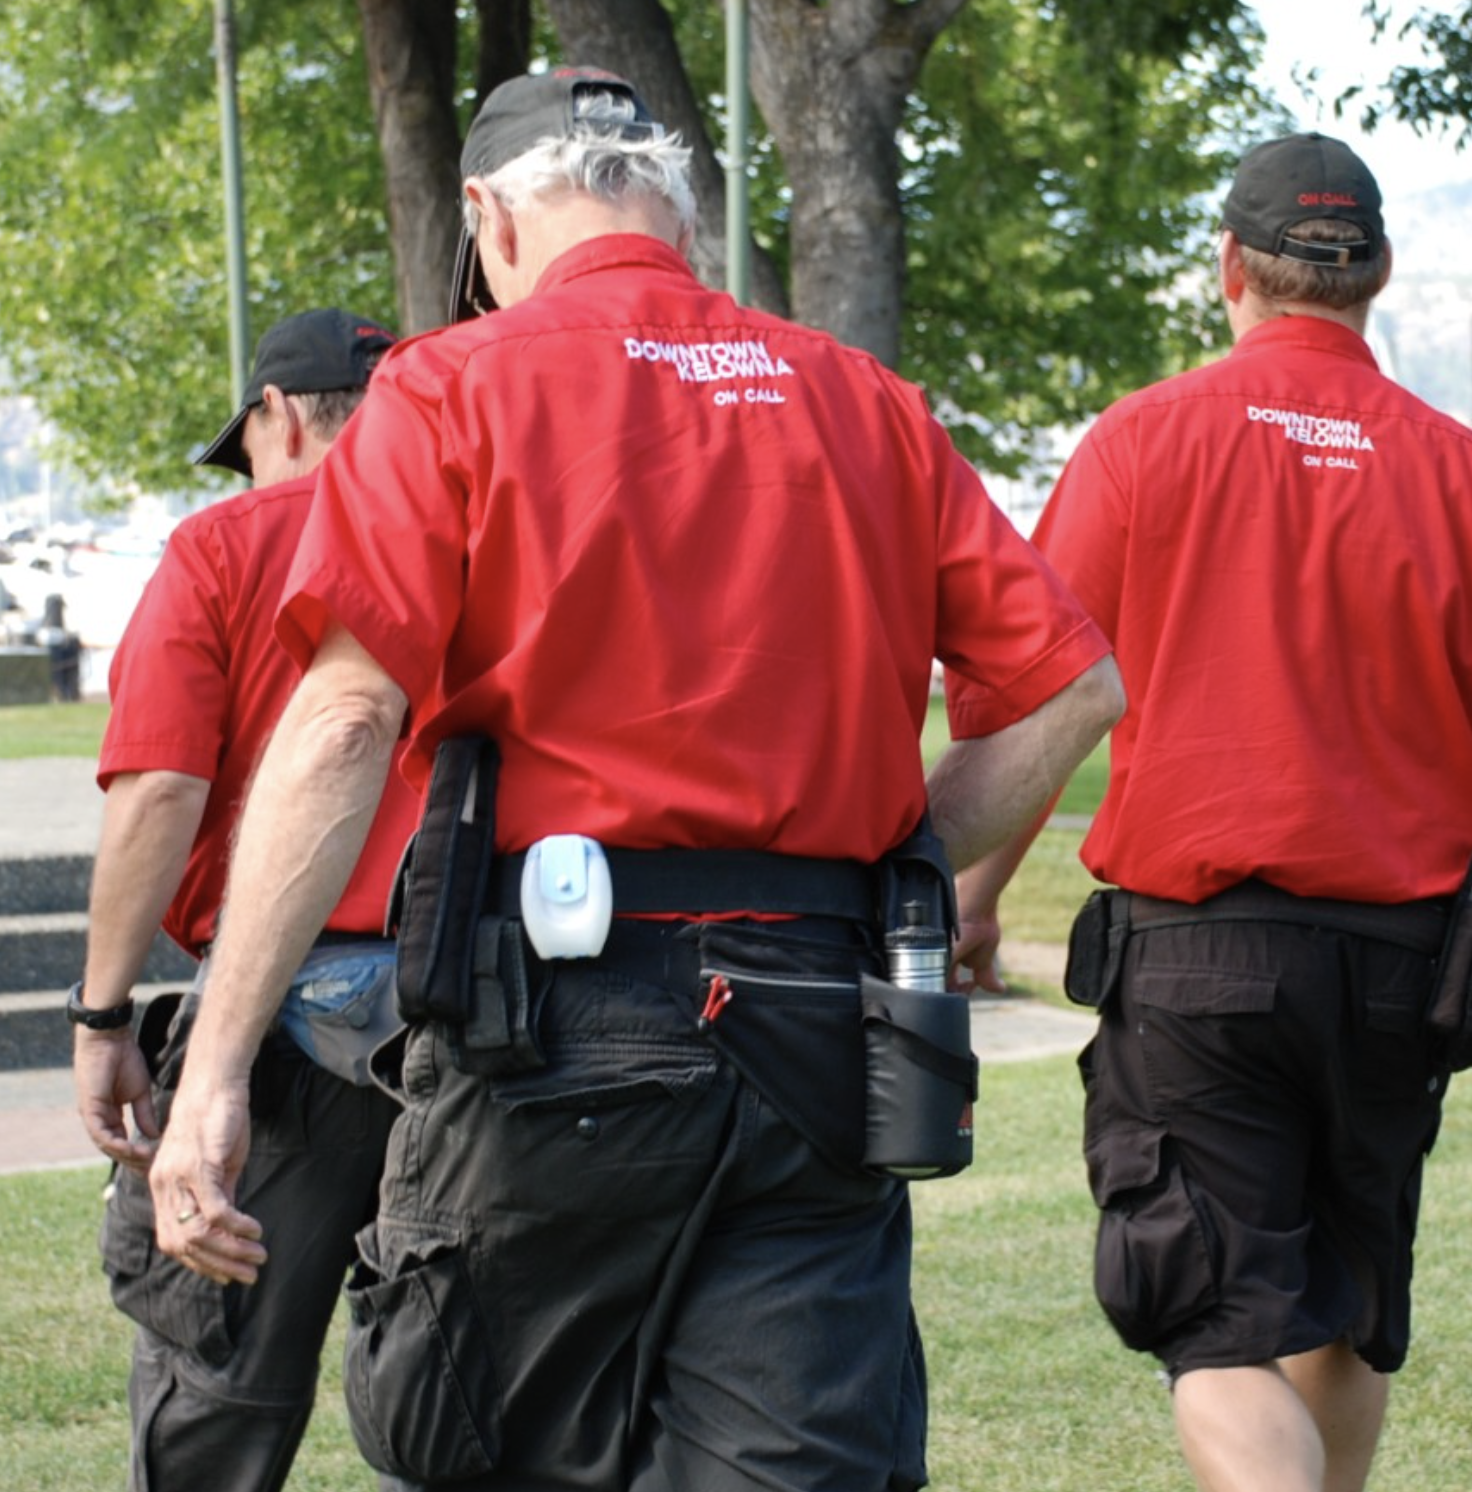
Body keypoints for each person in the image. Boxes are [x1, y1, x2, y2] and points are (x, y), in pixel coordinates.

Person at [143, 68, 1123, 1492]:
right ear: (673, 201)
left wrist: (217, 1068)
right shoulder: (862, 398)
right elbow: (1074, 685)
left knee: (475, 1431)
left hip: (559, 1027)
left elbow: (349, 720)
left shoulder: (452, 383)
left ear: (484, 215)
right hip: (820, 1028)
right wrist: (904, 869)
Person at [949, 132, 1472, 1492]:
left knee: (1217, 1325)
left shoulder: (1144, 441)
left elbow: (1038, 699)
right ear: (1378, 273)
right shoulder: (1456, 466)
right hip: (1401, 975)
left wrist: (973, 901)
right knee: (1343, 1313)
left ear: (1230, 269)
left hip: (1198, 956)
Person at [72, 307, 421, 1492]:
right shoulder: (494, 531)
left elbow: (161, 789)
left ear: (277, 415)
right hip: (485, 1011)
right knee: (484, 1397)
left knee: (214, 1387)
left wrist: (103, 1014)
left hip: (285, 1027)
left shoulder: (224, 546)